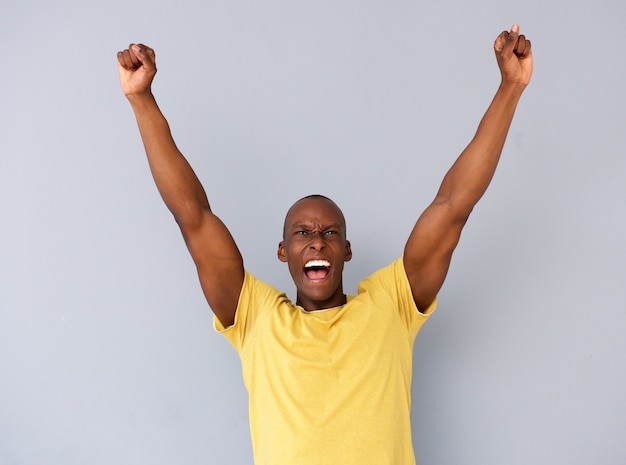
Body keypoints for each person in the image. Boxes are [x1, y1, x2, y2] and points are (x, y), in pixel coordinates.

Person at [117, 24, 532, 465]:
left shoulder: (390, 305)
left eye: (330, 233)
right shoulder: (256, 317)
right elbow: (192, 216)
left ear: (347, 251)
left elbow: (453, 205)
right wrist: (141, 99)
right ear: (283, 252)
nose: (317, 241)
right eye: (302, 233)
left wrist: (510, 87)